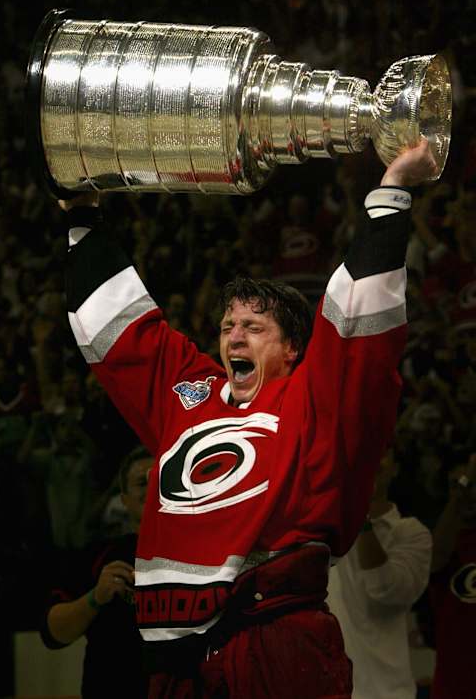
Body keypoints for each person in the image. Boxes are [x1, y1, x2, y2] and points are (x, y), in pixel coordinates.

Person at [60, 138, 437, 698]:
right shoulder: (190, 397)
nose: (234, 335)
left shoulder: (310, 400)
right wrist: (82, 217)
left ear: (293, 351)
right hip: (175, 656)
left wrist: (391, 194)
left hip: (274, 642)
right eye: (227, 326)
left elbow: (360, 338)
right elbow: (123, 337)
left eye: (254, 327)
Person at [40, 446, 154, 699]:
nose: (152, 488)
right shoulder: (99, 555)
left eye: (158, 479)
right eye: (140, 482)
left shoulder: (203, 553)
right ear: (123, 499)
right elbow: (53, 634)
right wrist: (95, 598)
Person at [326, 448, 432, 699]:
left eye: (382, 451)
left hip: (386, 692)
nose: (373, 459)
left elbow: (384, 589)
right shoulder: (323, 526)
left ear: (394, 468)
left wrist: (362, 514)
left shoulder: (412, 533)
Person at [428, 451, 476, 699]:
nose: (467, 492)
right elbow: (434, 560)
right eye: (456, 485)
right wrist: (466, 483)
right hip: (453, 687)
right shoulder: (446, 541)